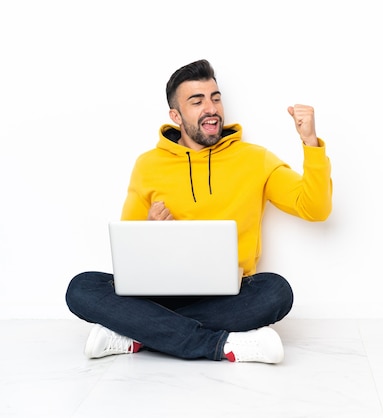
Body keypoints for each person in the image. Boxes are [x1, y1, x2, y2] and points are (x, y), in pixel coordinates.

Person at [65, 59, 332, 364]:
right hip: (158, 291)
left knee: (276, 292)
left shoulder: (255, 159)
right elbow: (128, 254)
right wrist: (150, 229)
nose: (211, 108)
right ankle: (219, 344)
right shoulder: (148, 165)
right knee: (81, 287)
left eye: (215, 98)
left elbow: (315, 209)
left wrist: (310, 143)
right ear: (175, 115)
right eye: (197, 100)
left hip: (230, 293)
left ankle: (137, 333)